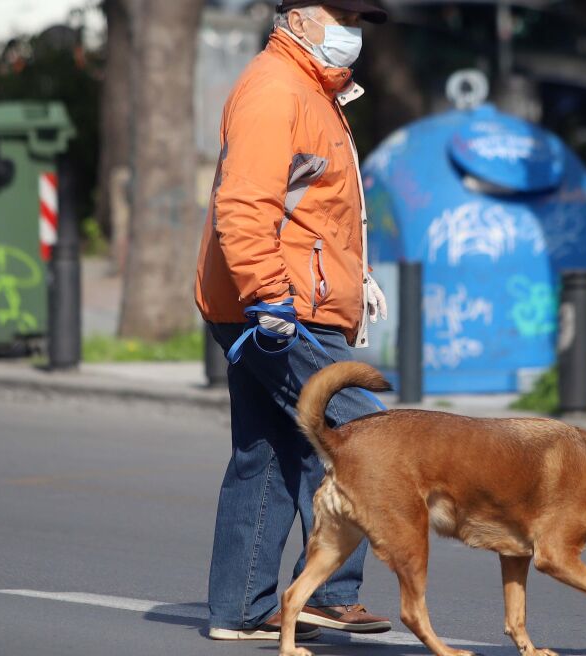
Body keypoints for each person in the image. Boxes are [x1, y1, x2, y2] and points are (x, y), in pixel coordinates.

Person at [194, 0, 392, 642]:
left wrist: (357, 277)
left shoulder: (311, 89)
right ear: (298, 17)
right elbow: (244, 204)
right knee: (361, 430)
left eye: (359, 21)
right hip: (279, 307)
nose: (352, 32)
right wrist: (269, 296)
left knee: (268, 452)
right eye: (342, 17)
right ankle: (327, 594)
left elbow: (314, 210)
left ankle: (239, 611)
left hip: (285, 299)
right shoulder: (276, 90)